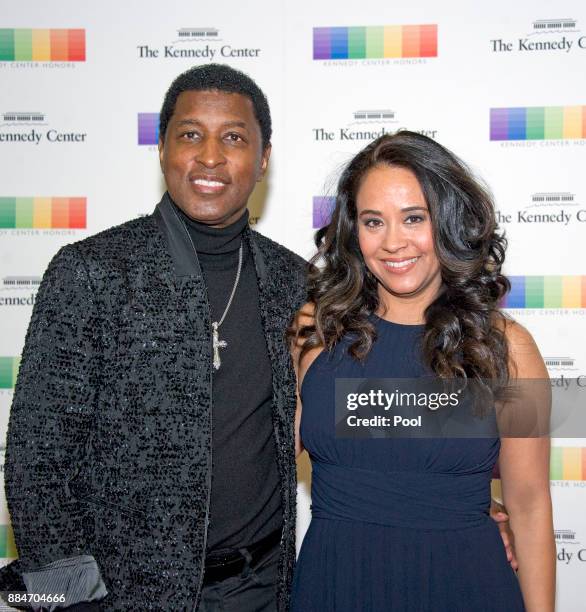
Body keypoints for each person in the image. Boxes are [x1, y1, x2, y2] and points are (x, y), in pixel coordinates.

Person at [0, 64, 306, 611]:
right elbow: (37, 461)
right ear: (162, 149)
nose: (210, 156)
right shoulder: (91, 272)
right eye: (190, 134)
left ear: (263, 159)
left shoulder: (292, 281)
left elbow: (346, 417)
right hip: (122, 598)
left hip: (262, 590)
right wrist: (74, 602)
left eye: (233, 137)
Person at [290, 131, 555, 611]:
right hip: (336, 584)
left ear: (449, 223)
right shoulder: (315, 333)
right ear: (354, 232)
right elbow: (265, 468)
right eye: (374, 222)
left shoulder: (511, 349)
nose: (394, 242)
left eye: (415, 218)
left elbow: (532, 505)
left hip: (465, 586)